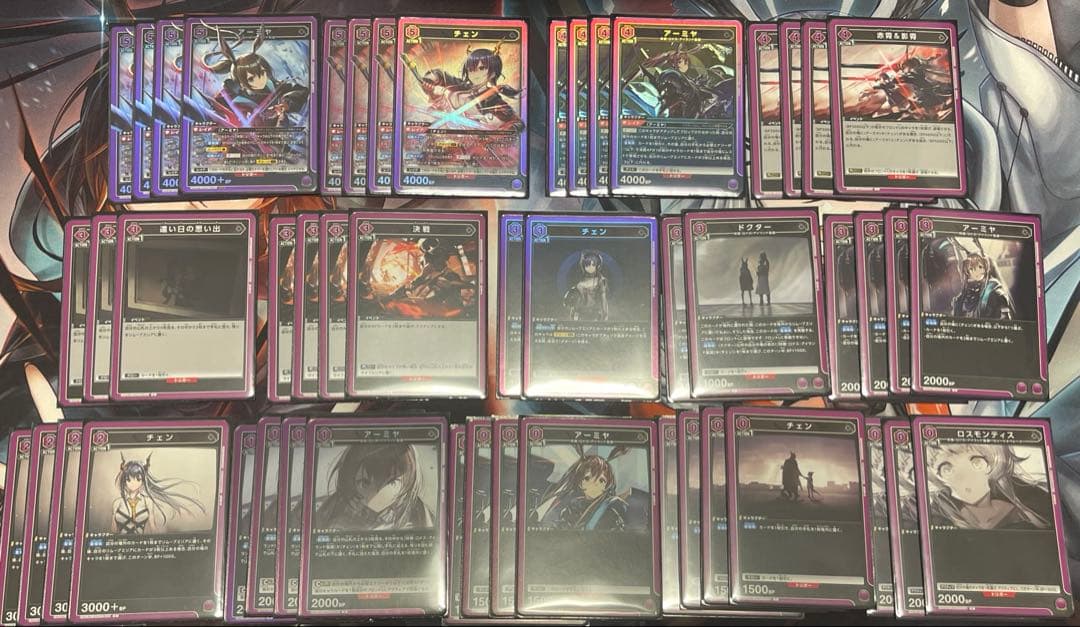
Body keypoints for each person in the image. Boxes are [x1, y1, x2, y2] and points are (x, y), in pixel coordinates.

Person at [926, 441, 1051, 530]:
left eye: (977, 463)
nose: (961, 477)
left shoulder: (1022, 500)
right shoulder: (941, 513)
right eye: (945, 470)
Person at [315, 443, 435, 531]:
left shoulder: (417, 513)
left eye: (390, 483)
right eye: (364, 483)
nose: (374, 495)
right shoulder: (333, 508)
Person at [532, 447, 629, 531]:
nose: (594, 484)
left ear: (606, 485)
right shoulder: (572, 507)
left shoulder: (610, 511)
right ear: (580, 483)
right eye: (587, 478)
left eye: (601, 480)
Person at [111, 454, 206, 534]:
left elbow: (153, 526)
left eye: (138, 479)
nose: (133, 483)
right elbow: (113, 530)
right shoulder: (117, 503)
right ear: (124, 481)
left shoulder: (147, 502)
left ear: (143, 481)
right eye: (129, 480)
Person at [951, 252, 1015, 320]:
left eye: (979, 267)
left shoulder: (994, 292)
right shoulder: (963, 295)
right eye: (971, 269)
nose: (975, 272)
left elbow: (1005, 319)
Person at [564, 250, 609, 321]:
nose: (590, 267)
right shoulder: (580, 280)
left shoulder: (600, 280)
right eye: (587, 265)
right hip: (579, 313)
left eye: (593, 265)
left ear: (597, 266)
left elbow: (603, 299)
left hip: (594, 313)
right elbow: (575, 299)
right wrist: (572, 314)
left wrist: (605, 314)